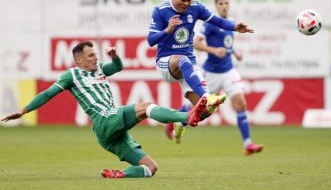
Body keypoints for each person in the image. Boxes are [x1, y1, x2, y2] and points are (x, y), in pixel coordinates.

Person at [1, 41, 208, 179]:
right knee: (145, 106)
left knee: (150, 168)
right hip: (103, 121)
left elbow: (117, 67)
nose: (96, 58)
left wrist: (115, 57)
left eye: (96, 54)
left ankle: (119, 175)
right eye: (91, 56)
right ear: (79, 60)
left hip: (110, 135)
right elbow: (47, 94)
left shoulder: (99, 69)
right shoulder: (71, 75)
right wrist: (23, 111)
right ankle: (188, 116)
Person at [147, 0, 254, 129]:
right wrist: (167, 30)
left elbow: (218, 21)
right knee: (183, 60)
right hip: (166, 63)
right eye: (182, 0)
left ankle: (179, 122)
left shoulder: (196, 8)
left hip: (188, 63)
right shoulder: (160, 10)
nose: (185, 4)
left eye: (188, 0)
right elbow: (151, 40)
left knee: (207, 111)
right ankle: (207, 97)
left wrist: (235, 27)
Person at [167, 0, 263, 155]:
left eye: (226, 3)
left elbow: (226, 45)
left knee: (241, 103)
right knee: (198, 106)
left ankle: (248, 144)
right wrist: (213, 50)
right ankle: (175, 119)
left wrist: (234, 52)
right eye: (221, 3)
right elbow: (196, 44)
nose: (224, 6)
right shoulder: (210, 24)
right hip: (211, 73)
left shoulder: (231, 24)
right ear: (216, 6)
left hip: (229, 71)